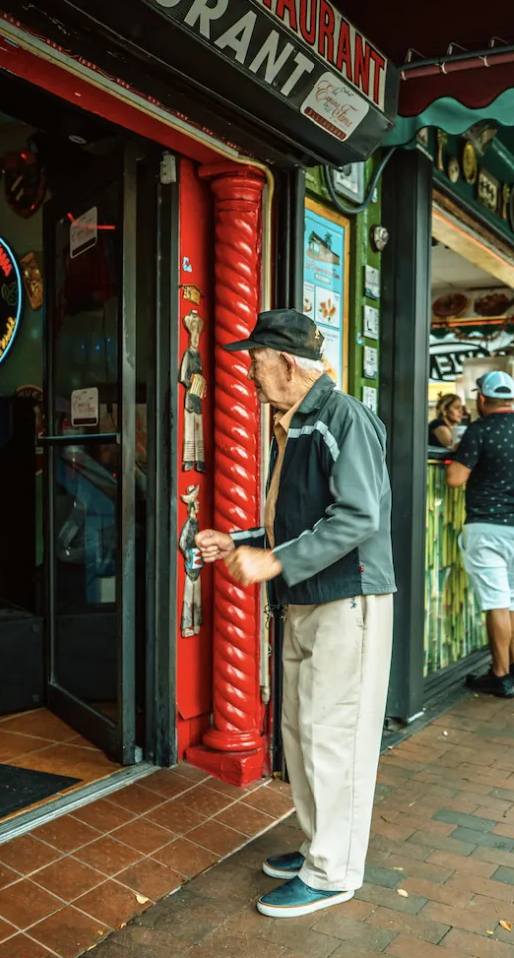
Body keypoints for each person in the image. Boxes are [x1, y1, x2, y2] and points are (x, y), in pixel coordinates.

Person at [194, 309, 396, 920]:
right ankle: (318, 846)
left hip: (348, 597)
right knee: (304, 732)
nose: (249, 372)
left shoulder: (342, 417)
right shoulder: (297, 424)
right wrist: (241, 543)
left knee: (335, 737)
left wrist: (274, 563)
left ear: (286, 363)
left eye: (255, 361)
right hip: (312, 596)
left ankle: (334, 871)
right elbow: (299, 520)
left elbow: (359, 516)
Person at [446, 371, 514, 698]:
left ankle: (499, 675)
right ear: (511, 397)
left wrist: (458, 454)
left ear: (482, 399)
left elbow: (455, 479)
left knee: (496, 603)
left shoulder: (480, 430)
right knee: (513, 598)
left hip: (487, 527)